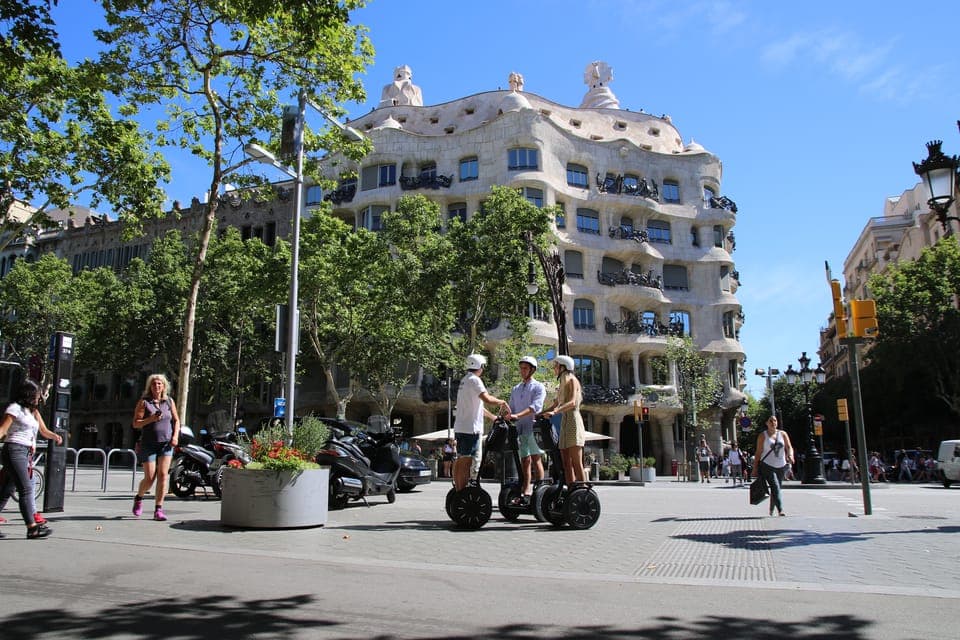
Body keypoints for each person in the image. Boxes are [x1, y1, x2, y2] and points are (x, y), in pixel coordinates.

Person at [0, 379, 63, 539]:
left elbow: (43, 430)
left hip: (25, 453)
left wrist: (55, 436)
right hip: (14, 450)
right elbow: (2, 430)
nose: (39, 397)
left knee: (7, 490)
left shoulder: (32, 412)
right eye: (37, 394)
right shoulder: (15, 408)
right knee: (26, 489)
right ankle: (32, 528)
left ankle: (32, 527)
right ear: (28, 394)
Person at [452, 354, 509, 492]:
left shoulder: (465, 380)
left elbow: (478, 407)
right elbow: (487, 398)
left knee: (460, 460)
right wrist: (502, 402)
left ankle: (458, 490)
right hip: (471, 429)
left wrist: (493, 417)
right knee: (466, 462)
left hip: (461, 427)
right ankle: (462, 492)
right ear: (480, 366)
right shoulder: (475, 380)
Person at [131, 373, 181, 521]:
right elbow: (136, 424)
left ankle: (158, 509)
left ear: (164, 386)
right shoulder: (144, 402)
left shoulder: (169, 401)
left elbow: (176, 421)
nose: (157, 386)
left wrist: (175, 436)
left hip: (166, 444)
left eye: (159, 383)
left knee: (163, 475)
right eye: (154, 384)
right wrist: (151, 419)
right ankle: (139, 498)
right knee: (150, 477)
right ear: (150, 386)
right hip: (148, 444)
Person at [505, 356, 547, 506]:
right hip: (520, 429)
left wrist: (517, 415)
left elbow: (536, 407)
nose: (522, 371)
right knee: (524, 461)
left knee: (536, 459)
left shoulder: (538, 387)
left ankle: (540, 491)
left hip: (533, 428)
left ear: (532, 370)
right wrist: (504, 415)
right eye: (521, 368)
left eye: (525, 368)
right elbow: (511, 408)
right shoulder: (516, 389)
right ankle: (525, 491)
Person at [541, 355, 587, 484]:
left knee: (576, 462)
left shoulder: (572, 380)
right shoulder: (561, 384)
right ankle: (571, 488)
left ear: (563, 367)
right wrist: (538, 414)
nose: (554, 368)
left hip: (573, 420)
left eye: (556, 366)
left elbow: (572, 402)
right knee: (565, 462)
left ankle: (582, 489)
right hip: (564, 421)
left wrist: (554, 412)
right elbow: (555, 405)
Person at [754, 416, 794, 516]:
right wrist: (755, 467)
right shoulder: (762, 436)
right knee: (775, 486)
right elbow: (758, 452)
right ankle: (780, 510)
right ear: (767, 423)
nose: (773, 423)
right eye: (770, 421)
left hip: (781, 465)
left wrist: (790, 455)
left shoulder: (783, 434)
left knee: (777, 488)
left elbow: (789, 447)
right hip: (767, 465)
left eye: (775, 420)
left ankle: (771, 509)